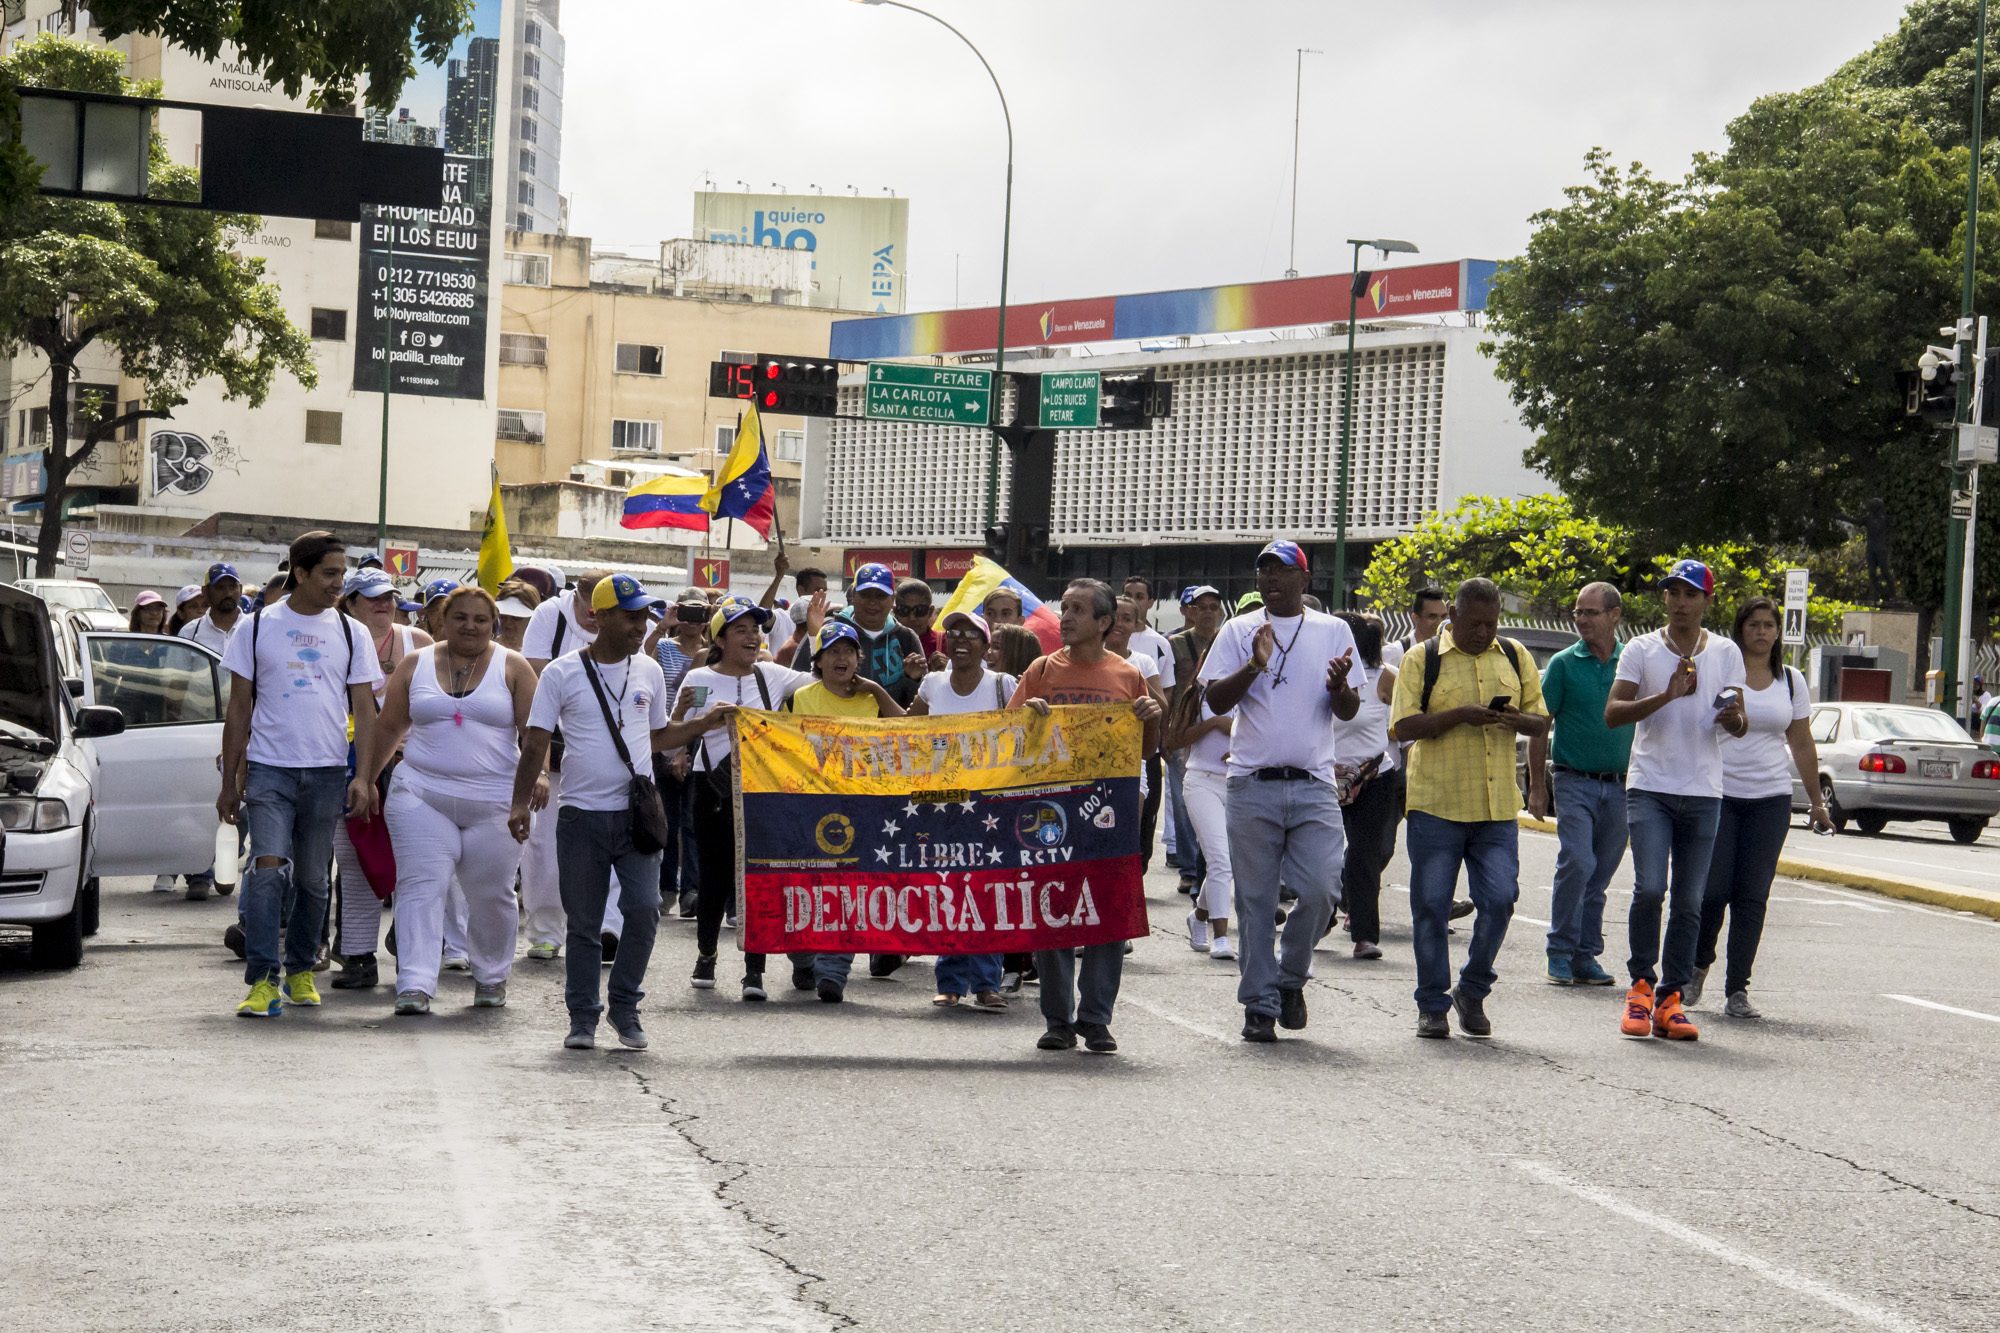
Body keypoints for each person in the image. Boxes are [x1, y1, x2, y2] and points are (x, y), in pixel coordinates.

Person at [511, 574, 708, 1050]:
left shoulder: (650, 672)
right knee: (582, 923)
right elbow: (536, 740)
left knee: (642, 911)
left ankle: (625, 1007)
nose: (641, 624)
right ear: (598, 617)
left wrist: (703, 724)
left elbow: (657, 737)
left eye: (644, 614)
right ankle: (582, 1017)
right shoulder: (560, 672)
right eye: (630, 615)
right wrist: (519, 802)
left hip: (637, 815)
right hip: (580, 815)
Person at [1201, 541, 1365, 1043]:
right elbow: (1213, 699)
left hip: (1314, 783)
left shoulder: (1333, 630)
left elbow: (1349, 710)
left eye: (1281, 571)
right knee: (1254, 900)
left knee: (1321, 890)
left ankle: (1290, 979)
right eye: (1263, 572)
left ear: (1305, 579)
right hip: (1252, 783)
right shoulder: (1238, 629)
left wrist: (1339, 688)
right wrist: (1253, 665)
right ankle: (1259, 1004)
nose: (1270, 579)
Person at [218, 531, 384, 1018]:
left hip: (329, 771)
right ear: (302, 572)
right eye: (330, 574)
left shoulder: (352, 633)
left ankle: (300, 971)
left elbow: (366, 712)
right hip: (270, 771)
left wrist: (365, 777)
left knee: (313, 879)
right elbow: (238, 708)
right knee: (268, 870)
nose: (339, 583)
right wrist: (230, 781)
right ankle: (263, 979)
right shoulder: (254, 628)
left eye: (342, 574)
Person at [365, 587, 541, 1014]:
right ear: (441, 621)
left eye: (481, 619)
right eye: (460, 617)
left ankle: (492, 976)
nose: (470, 626)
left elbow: (535, 735)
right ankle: (415, 983)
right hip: (421, 793)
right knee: (420, 886)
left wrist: (533, 786)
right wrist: (365, 779)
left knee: (491, 893)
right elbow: (388, 728)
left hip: (495, 802)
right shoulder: (416, 664)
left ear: (494, 623)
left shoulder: (513, 666)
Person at [1388, 578, 1548, 1039]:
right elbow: (1402, 727)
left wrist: (1514, 719)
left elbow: (1541, 721)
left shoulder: (1515, 656)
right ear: (1453, 617)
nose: (1484, 632)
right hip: (1437, 804)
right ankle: (1432, 1006)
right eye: (1475, 623)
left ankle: (1472, 988)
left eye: (1492, 623)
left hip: (1496, 808)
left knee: (1499, 901)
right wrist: (1460, 714)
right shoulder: (1422, 659)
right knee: (1431, 907)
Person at [1012, 579, 1163, 1054]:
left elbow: (1147, 750)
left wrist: (1151, 715)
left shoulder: (1128, 675)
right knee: (1054, 910)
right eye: (1065, 608)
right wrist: (1027, 717)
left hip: (1109, 813)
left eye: (1078, 610)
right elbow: (1011, 742)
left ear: (1104, 623)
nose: (1066, 617)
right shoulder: (1039, 671)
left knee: (1109, 915)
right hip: (1052, 810)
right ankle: (1058, 1019)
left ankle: (1096, 1018)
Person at [1605, 559, 1748, 1042]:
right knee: (1650, 888)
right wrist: (1665, 696)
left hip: (1704, 789)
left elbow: (1739, 719)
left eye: (1690, 594)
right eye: (1673, 593)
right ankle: (1641, 987)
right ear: (1663, 599)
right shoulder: (1641, 651)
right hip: (1650, 786)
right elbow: (1614, 714)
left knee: (1690, 901)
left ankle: (1671, 998)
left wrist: (1733, 720)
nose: (1680, 602)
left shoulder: (1727, 652)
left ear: (1707, 600)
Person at [1692, 597, 1830, 1018]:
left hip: (1770, 799)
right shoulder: (1721, 673)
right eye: (1753, 624)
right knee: (1714, 891)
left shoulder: (1791, 681)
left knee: (1752, 895)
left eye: (1769, 625)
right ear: (1741, 629)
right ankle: (1698, 965)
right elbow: (1702, 724)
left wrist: (1818, 803)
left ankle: (1737, 990)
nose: (1763, 631)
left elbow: (1802, 743)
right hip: (1720, 793)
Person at [672, 597, 811, 1001]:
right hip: (710, 789)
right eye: (741, 629)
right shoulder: (698, 679)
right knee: (714, 877)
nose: (753, 636)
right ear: (720, 638)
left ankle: (755, 971)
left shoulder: (772, 676)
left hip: (763, 791)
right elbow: (673, 735)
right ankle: (706, 956)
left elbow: (819, 682)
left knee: (759, 879)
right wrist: (683, 716)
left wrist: (814, 632)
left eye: (756, 629)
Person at [781, 621, 908, 1001]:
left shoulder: (871, 701)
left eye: (849, 652)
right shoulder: (799, 698)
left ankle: (834, 971)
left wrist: (879, 691)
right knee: (806, 887)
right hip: (808, 808)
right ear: (818, 661)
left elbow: (909, 732)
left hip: (861, 808)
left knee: (849, 888)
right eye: (833, 652)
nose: (842, 658)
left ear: (859, 659)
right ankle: (803, 958)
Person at [328, 568, 437, 987]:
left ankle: (411, 947)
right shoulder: (334, 641)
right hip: (347, 766)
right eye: (372, 597)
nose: (384, 603)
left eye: (389, 595)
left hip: (412, 768)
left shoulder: (420, 644)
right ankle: (357, 956)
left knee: (417, 859)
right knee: (354, 859)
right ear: (350, 603)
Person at [908, 610, 1015, 1010]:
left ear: (987, 646)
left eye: (972, 634)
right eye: (953, 633)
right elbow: (904, 732)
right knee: (948, 888)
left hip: (991, 804)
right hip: (942, 805)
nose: (961, 640)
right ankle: (950, 981)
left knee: (987, 890)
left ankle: (988, 983)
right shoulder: (933, 684)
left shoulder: (1004, 685)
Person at [1526, 582, 1631, 987]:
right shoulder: (1564, 664)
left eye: (1591, 612)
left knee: (1600, 874)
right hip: (1573, 780)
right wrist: (1538, 786)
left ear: (1614, 615)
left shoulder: (1631, 663)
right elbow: (1539, 727)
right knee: (1578, 861)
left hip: (1622, 786)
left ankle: (1586, 955)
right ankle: (1559, 950)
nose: (1582, 619)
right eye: (1578, 612)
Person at [517, 570, 608, 960]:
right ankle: (545, 930)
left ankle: (606, 928)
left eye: (600, 610)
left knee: (609, 839)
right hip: (552, 743)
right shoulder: (549, 615)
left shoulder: (625, 615)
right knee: (543, 841)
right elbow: (536, 679)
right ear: (576, 595)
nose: (592, 615)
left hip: (601, 748)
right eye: (587, 605)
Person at [1332, 612, 1401, 962]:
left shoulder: (1386, 678)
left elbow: (1402, 725)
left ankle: (1364, 935)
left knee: (1364, 854)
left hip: (1373, 777)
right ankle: (1319, 911)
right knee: (1321, 854)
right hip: (1323, 776)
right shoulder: (1321, 677)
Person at [1166, 645, 1236, 962]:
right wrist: (1213, 724)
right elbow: (1173, 740)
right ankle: (1221, 937)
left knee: (1227, 862)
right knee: (1219, 859)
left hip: (1240, 783)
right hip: (1201, 781)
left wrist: (1242, 750)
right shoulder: (1198, 692)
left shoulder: (1254, 690)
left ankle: (1198, 918)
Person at [650, 595, 709, 919]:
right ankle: (666, 888)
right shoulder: (665, 647)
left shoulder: (711, 653)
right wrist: (662, 626)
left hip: (699, 738)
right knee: (668, 819)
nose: (691, 619)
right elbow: (638, 663)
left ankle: (691, 891)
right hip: (665, 734)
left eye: (699, 614)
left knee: (692, 821)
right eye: (685, 612)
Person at [1165, 586, 1225, 897]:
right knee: (1182, 801)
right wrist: (1166, 735)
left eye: (1213, 607)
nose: (1207, 612)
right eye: (1201, 607)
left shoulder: (1223, 642)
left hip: (1218, 734)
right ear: (1189, 611)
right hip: (1183, 732)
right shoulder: (1174, 645)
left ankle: (1207, 866)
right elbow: (1168, 692)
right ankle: (1189, 868)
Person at [1112, 594, 1173, 872]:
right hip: (1092, 762)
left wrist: (1131, 678)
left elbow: (1161, 707)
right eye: (1114, 616)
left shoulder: (1143, 662)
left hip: (1134, 759)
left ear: (1137, 624)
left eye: (1127, 619)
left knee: (1128, 841)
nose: (1119, 624)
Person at [178, 562, 243, 655]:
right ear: (205, 591)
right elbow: (177, 668)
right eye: (220, 588)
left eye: (233, 587)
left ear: (240, 589)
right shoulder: (189, 633)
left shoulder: (254, 629)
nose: (228, 593)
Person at [1383, 586, 1448, 669]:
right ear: (1415, 618)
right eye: (1432, 616)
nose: (1439, 623)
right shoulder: (1394, 652)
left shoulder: (1449, 652)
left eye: (1443, 616)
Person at [894, 577, 945, 667]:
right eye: (904, 610)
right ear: (895, 612)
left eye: (920, 610)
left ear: (930, 611)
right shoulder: (885, 643)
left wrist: (948, 670)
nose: (912, 618)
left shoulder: (946, 642)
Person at [493, 579, 540, 651]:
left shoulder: (542, 653)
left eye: (516, 618)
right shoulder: (484, 650)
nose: (508, 622)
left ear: (531, 618)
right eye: (503, 616)